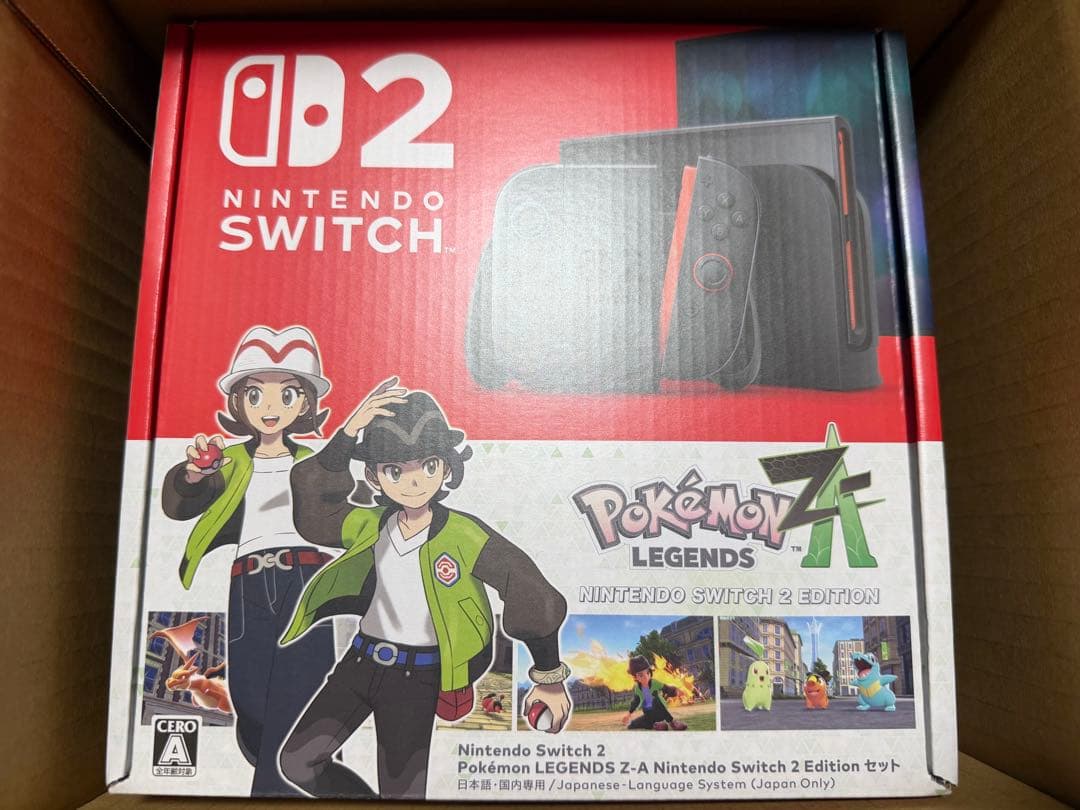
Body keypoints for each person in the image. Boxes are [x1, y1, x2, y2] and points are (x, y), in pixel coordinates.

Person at [277, 379, 572, 798]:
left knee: (402, 794)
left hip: (417, 678)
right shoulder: (369, 525)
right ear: (375, 476)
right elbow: (315, 512)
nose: (413, 483)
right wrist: (347, 434)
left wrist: (548, 676)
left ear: (446, 467)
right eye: (396, 471)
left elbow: (529, 588)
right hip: (359, 663)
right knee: (297, 761)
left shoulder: (465, 535)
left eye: (428, 465)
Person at [161, 325, 342, 796]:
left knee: (300, 690)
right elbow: (179, 505)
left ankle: (278, 786)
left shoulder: (314, 460)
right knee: (249, 697)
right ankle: (306, 766)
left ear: (304, 405)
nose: (270, 407)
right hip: (248, 582)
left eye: (287, 394)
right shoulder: (230, 460)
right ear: (239, 403)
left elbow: (342, 505)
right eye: (255, 394)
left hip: (305, 576)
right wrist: (193, 474)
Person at [622, 655, 689, 731]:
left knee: (654, 700)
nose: (646, 677)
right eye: (641, 675)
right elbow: (635, 701)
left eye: (647, 673)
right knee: (632, 725)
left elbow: (666, 688)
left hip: (661, 711)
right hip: (649, 714)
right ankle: (657, 725)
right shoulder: (637, 688)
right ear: (635, 677)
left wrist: (677, 692)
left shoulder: (654, 683)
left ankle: (672, 723)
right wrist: (628, 714)